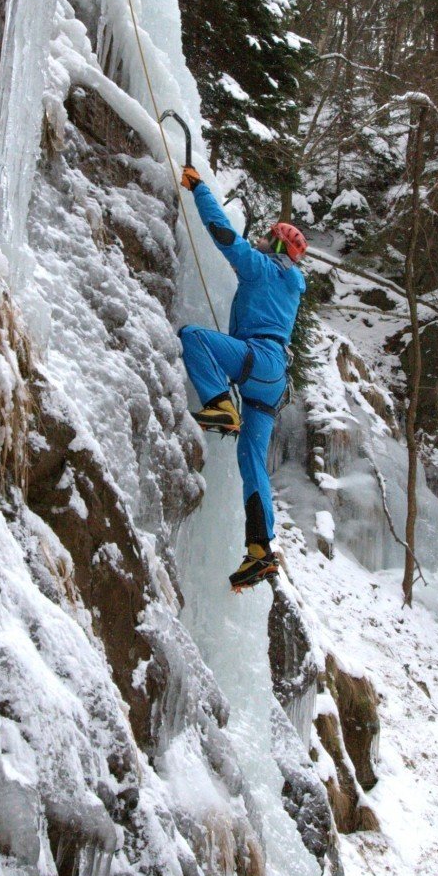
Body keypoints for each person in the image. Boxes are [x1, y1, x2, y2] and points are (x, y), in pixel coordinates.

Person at [178, 166, 307, 590]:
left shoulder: (263, 268)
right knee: (252, 462)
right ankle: (259, 551)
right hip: (274, 382)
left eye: (269, 236)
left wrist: (199, 188)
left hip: (259, 360)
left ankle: (219, 403)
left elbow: (223, 233)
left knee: (193, 337)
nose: (261, 238)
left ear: (278, 245)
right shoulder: (290, 283)